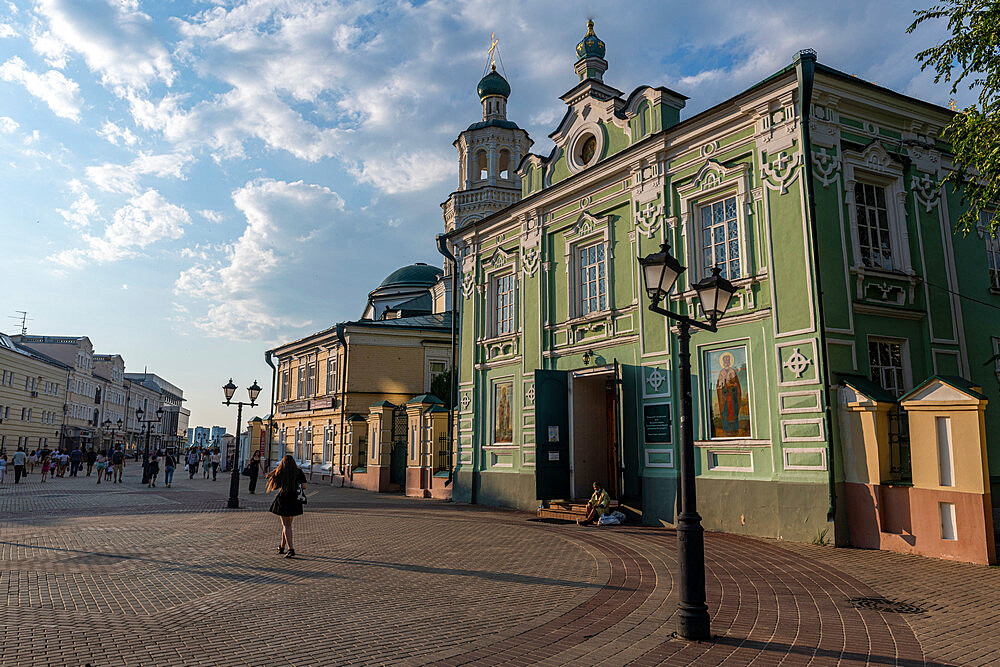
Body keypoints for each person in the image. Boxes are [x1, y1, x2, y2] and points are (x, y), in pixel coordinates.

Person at [266, 455, 306, 558]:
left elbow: (275, 486)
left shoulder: (281, 471)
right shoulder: (298, 472)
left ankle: (291, 549)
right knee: (287, 525)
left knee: (286, 525)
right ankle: (282, 547)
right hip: (295, 499)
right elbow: (304, 486)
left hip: (283, 499)